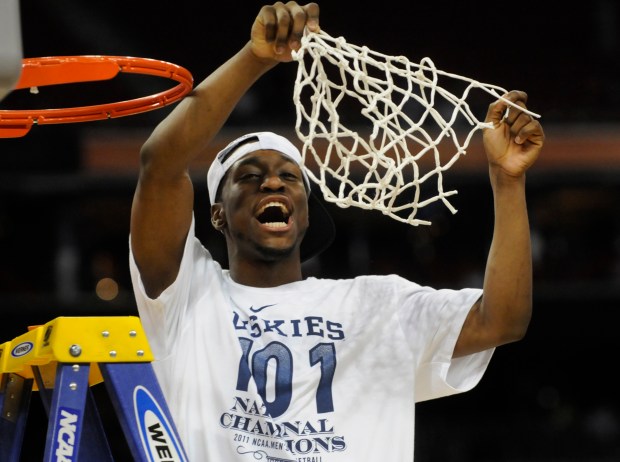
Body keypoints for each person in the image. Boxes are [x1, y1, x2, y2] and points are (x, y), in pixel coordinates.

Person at [128, 2, 545, 461]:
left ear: (306, 215)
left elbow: (502, 320)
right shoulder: (187, 296)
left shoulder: (377, 305)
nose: (272, 182)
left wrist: (507, 183)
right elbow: (160, 163)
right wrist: (257, 58)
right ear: (217, 215)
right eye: (248, 177)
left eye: (290, 178)